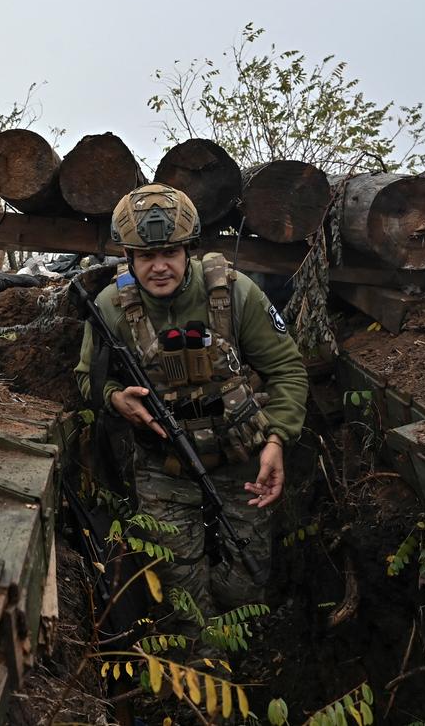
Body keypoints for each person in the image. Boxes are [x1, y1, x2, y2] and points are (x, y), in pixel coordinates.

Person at [73, 183, 308, 643]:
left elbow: (287, 370)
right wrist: (117, 399)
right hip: (164, 467)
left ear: (189, 250)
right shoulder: (110, 308)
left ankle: (240, 658)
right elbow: (87, 378)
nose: (159, 266)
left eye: (170, 252)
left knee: (248, 584)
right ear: (128, 256)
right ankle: (201, 677)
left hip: (243, 460)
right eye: (145, 256)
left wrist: (277, 441)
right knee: (180, 595)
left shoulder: (236, 294)